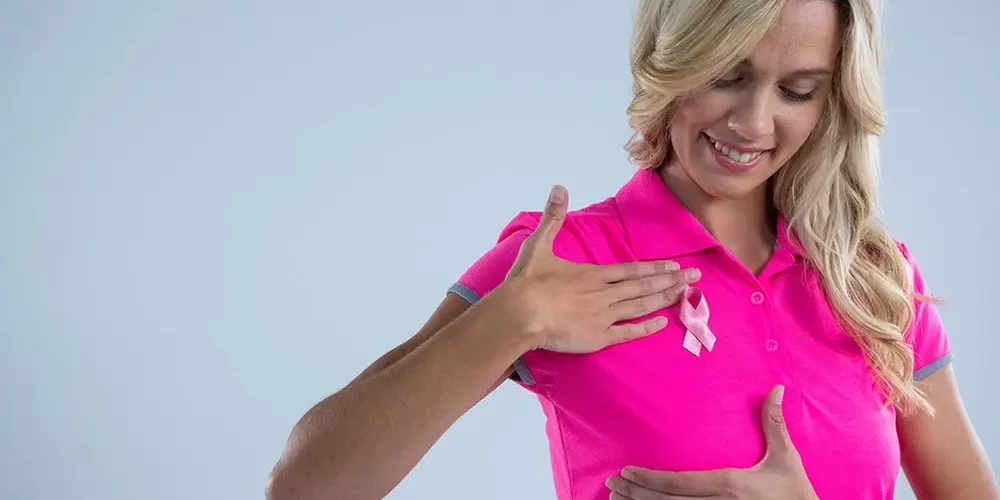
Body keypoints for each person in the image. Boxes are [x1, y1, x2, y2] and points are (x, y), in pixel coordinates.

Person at [265, 0, 999, 499]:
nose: (754, 121)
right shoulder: (566, 259)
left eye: (797, 89)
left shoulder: (872, 282)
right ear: (671, 60)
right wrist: (507, 322)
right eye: (728, 75)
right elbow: (305, 485)